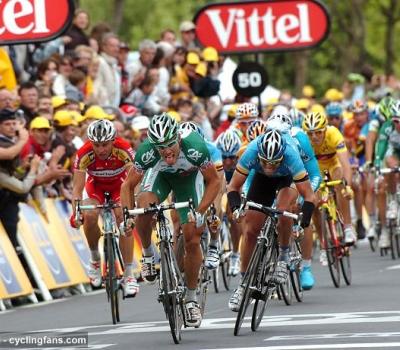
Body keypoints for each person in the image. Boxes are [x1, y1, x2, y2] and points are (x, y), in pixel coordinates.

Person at [120, 113, 221, 327]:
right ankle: (148, 255)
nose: (166, 151)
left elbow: (214, 182)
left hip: (188, 181)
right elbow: (127, 185)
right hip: (160, 177)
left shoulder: (195, 146)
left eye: (169, 145)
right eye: (160, 147)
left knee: (192, 238)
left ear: (178, 138)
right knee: (144, 207)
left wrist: (201, 210)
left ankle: (191, 299)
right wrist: (127, 215)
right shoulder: (147, 151)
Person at [227, 129, 316, 311]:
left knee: (283, 210)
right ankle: (243, 284)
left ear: (281, 157)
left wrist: (303, 220)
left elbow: (309, 196)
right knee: (250, 230)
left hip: (287, 179)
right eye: (265, 162)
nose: (269, 167)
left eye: (274, 163)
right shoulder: (251, 152)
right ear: (259, 155)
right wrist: (236, 208)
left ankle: (283, 257)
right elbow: (233, 187)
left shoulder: (291, 155)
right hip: (262, 181)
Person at [70, 119, 139, 298]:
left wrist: (132, 208)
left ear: (113, 141)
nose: (101, 149)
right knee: (90, 214)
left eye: (105, 145)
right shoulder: (84, 153)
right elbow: (77, 188)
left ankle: (129, 275)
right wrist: (75, 213)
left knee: (123, 220)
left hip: (120, 186)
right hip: (96, 187)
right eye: (97, 145)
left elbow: (133, 184)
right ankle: (94, 258)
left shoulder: (124, 149)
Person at [302, 112, 356, 266]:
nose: (315, 137)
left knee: (340, 183)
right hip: (316, 167)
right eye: (311, 133)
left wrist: (348, 186)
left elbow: (345, 164)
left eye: (318, 132)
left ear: (325, 130)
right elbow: (303, 169)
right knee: (313, 203)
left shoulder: (334, 134)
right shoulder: (304, 141)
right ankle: (324, 245)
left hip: (334, 163)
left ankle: (347, 228)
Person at [215, 129, 243, 276]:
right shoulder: (214, 155)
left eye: (232, 157)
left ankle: (235, 254)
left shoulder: (243, 157)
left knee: (234, 216)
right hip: (219, 181)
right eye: (224, 157)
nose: (227, 161)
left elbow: (241, 187)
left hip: (236, 183)